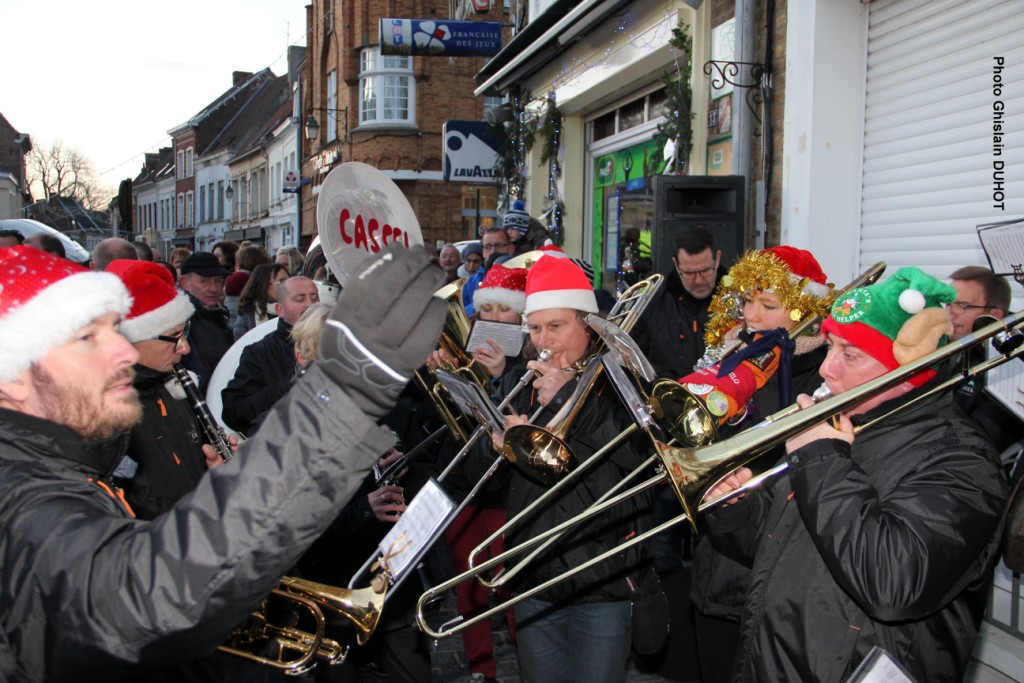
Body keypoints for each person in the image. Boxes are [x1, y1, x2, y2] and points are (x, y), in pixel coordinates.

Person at [0, 244, 448, 681]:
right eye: (87, 339)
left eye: (115, 330)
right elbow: (144, 598)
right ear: (16, 376)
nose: (123, 352)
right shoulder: (18, 492)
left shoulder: (61, 463)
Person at [703, 266, 1008, 681]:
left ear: (905, 367)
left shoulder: (963, 460)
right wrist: (737, 507)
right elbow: (774, 544)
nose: (827, 369)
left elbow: (892, 584)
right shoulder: (840, 427)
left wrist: (821, 459)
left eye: (850, 355)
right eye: (830, 347)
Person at [467, 255, 653, 683]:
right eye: (535, 328)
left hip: (602, 577)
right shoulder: (522, 379)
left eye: (557, 326)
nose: (544, 339)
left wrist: (569, 397)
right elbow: (482, 489)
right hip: (535, 576)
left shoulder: (622, 377)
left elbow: (638, 460)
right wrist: (496, 448)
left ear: (587, 324)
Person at [684, 246, 834, 683]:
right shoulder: (728, 356)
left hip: (773, 563)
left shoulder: (821, 372)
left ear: (805, 307)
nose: (752, 315)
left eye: (769, 305)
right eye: (747, 301)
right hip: (716, 552)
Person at [440, 264, 527, 683]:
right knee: (468, 585)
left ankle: (528, 662)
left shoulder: (529, 359)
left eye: (504, 311)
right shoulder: (466, 348)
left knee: (511, 585)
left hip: (507, 490)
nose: (493, 317)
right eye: (486, 308)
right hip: (465, 487)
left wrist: (499, 378)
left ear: (520, 317)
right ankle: (480, 668)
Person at [105, 259, 223, 520]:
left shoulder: (175, 387)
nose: (185, 349)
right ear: (133, 338)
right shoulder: (103, 413)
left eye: (186, 333)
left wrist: (215, 470)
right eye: (174, 337)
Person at [221, 276, 321, 435]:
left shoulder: (335, 341)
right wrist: (289, 383)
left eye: (314, 298)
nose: (309, 305)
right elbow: (233, 412)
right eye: (300, 299)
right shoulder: (259, 353)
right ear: (280, 310)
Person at [634, 227, 725, 380]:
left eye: (705, 271)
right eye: (689, 273)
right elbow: (632, 360)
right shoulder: (652, 304)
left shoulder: (741, 300)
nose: (699, 280)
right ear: (676, 265)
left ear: (718, 258)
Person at [947, 265, 1018, 452]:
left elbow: (982, 441)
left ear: (994, 316)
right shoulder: (945, 344)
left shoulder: (1012, 366)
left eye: (962, 305)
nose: (950, 312)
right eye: (949, 303)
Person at [177, 251, 233, 394]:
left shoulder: (217, 314)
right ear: (185, 283)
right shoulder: (183, 323)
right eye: (204, 281)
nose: (214, 288)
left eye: (217, 280)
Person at [463, 227, 516, 316]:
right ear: (483, 251)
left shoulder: (522, 276)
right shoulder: (472, 281)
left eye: (498, 245)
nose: (493, 251)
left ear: (511, 249)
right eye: (487, 247)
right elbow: (463, 314)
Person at [234, 262, 290, 340]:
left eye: (290, 280)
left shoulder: (297, 311)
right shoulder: (247, 318)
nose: (288, 285)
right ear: (264, 286)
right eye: (281, 281)